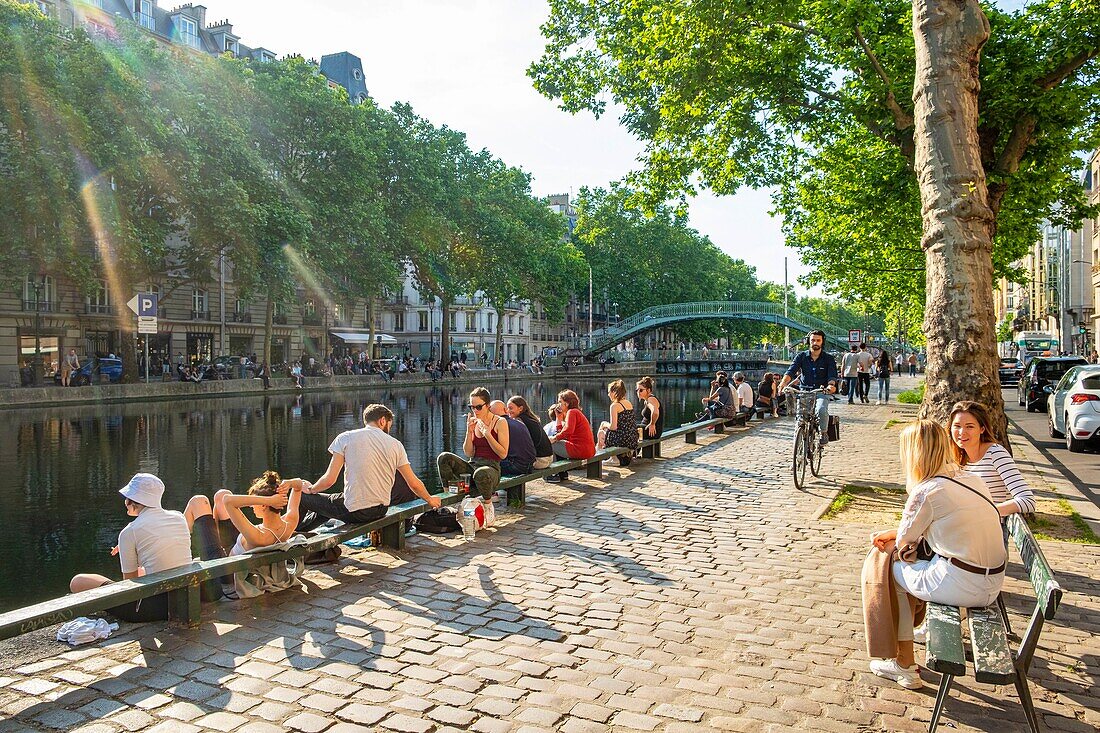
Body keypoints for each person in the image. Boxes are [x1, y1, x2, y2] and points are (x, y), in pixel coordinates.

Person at [866, 420, 1006, 689]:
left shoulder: (926, 491)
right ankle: (914, 632)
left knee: (883, 564)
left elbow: (906, 542)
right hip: (991, 583)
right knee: (906, 560)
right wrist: (897, 534)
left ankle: (903, 663)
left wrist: (892, 539)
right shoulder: (971, 478)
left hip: (962, 584)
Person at [69, 474, 192, 622]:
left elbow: (131, 587)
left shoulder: (129, 531)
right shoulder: (178, 517)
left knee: (78, 581)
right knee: (142, 571)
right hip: (188, 598)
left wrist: (130, 550)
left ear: (133, 501)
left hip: (155, 607)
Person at [300, 404, 439, 533]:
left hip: (355, 511)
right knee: (325, 506)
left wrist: (311, 489)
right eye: (389, 426)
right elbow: (413, 483)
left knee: (301, 496)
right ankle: (299, 534)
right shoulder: (396, 445)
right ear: (383, 421)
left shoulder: (345, 438)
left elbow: (329, 480)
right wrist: (429, 499)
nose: (388, 430)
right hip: (381, 509)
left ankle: (288, 538)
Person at [947, 401, 1036, 521]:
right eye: (957, 426)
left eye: (970, 426)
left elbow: (1028, 501)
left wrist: (983, 512)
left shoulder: (996, 454)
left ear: (982, 429)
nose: (962, 432)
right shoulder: (954, 458)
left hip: (988, 530)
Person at [437, 388, 509, 501]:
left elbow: (503, 454)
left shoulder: (500, 422)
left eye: (478, 407)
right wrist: (469, 431)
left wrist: (487, 434)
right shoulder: (474, 422)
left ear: (488, 405)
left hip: (492, 469)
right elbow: (469, 453)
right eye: (472, 407)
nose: (475, 410)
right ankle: (448, 499)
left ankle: (488, 505)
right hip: (473, 466)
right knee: (444, 457)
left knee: (481, 473)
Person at [777, 330, 839, 445]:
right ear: (808, 341)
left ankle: (823, 432)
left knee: (821, 410)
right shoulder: (801, 356)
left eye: (818, 340)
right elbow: (791, 371)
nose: (815, 342)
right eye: (813, 340)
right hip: (804, 391)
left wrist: (830, 386)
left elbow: (832, 376)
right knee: (800, 417)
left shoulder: (828, 359)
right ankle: (799, 440)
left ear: (822, 342)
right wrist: (783, 384)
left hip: (821, 391)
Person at [546, 389, 596, 482]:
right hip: (587, 450)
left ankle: (554, 474)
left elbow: (567, 431)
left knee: (549, 444)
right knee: (556, 442)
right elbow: (563, 433)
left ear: (567, 403)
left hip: (580, 449)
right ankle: (562, 473)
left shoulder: (572, 412)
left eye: (560, 402)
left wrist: (554, 438)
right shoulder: (576, 412)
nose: (559, 405)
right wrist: (559, 418)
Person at [596, 379, 638, 466]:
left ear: (615, 392)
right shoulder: (628, 403)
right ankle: (604, 457)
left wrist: (604, 424)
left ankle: (610, 459)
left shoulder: (614, 406)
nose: (608, 395)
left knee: (601, 433)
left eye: (609, 392)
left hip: (622, 439)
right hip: (632, 437)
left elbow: (613, 427)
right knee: (605, 432)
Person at [489, 400, 536, 477]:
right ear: (505, 410)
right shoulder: (518, 423)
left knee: (487, 465)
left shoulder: (498, 425)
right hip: (530, 465)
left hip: (517, 466)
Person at [506, 396, 554, 470]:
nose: (508, 411)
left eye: (511, 408)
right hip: (549, 458)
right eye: (507, 408)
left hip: (540, 460)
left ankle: (519, 481)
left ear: (520, 408)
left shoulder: (519, 421)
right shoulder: (531, 418)